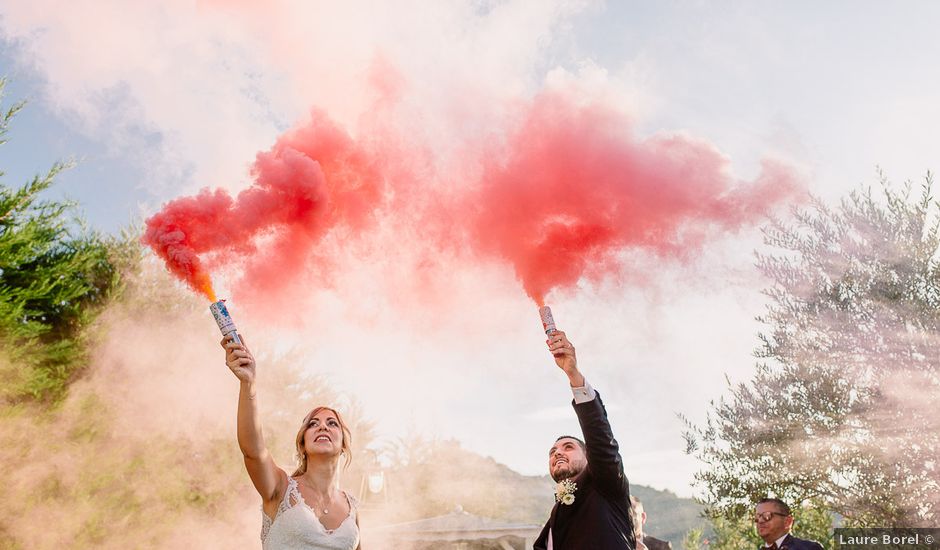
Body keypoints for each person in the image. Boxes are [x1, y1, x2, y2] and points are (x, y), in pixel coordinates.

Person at [222, 335, 361, 550]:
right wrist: (248, 383)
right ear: (302, 444)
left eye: (332, 423)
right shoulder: (281, 487)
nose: (323, 426)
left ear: (343, 444)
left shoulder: (352, 507)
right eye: (313, 424)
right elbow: (254, 451)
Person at [533, 328, 635, 550]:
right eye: (553, 451)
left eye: (568, 447)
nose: (557, 452)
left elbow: (600, 436)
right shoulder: (551, 525)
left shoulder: (606, 485)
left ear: (590, 457)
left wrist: (573, 374)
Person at [754, 498, 823, 550]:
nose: (760, 521)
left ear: (787, 521)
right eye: (757, 516)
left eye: (767, 516)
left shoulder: (808, 548)